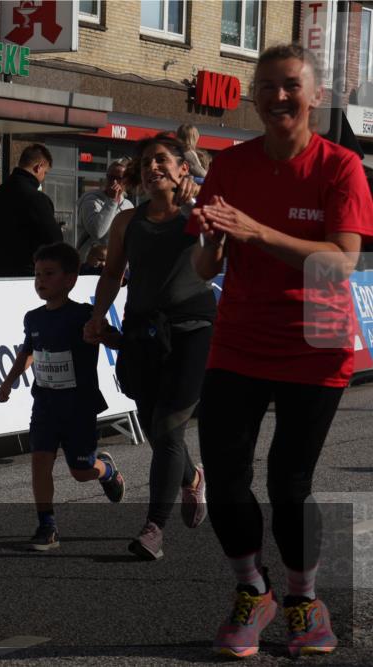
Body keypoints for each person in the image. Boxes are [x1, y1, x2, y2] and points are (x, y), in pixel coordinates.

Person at [189, 44, 373, 659]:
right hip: (240, 337)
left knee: (288, 482)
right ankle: (252, 591)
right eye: (265, 86)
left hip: (316, 338)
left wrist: (256, 231)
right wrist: (216, 242)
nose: (277, 96)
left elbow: (341, 260)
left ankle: (302, 602)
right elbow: (202, 262)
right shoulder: (231, 165)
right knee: (226, 474)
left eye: (290, 85)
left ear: (315, 96)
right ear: (254, 96)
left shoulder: (340, 166)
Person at [84, 133, 215, 562]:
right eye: (145, 164)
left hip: (193, 330)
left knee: (166, 427)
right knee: (158, 426)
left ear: (182, 168)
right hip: (142, 333)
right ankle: (191, 476)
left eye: (161, 160)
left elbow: (226, 239)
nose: (152, 168)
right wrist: (98, 316)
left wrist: (203, 199)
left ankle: (155, 526)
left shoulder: (200, 211)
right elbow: (112, 274)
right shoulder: (127, 223)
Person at [0, 242, 126, 551]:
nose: (41, 280)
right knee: (40, 462)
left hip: (78, 405)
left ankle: (106, 470)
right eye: (37, 274)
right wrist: (8, 382)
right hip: (45, 403)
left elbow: (115, 341)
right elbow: (28, 352)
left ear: (71, 279)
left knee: (81, 473)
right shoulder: (34, 318)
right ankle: (46, 525)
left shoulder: (83, 314)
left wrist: (105, 334)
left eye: (49, 274)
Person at [0, 144, 62, 277]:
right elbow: (54, 241)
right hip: (28, 276)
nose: (43, 178)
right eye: (45, 173)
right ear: (38, 167)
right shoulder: (37, 199)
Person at [76, 159, 134, 258]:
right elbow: (97, 231)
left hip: (117, 263)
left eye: (119, 178)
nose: (113, 182)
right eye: (110, 177)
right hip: (91, 263)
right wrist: (112, 201)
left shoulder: (128, 205)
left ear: (126, 181)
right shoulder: (91, 200)